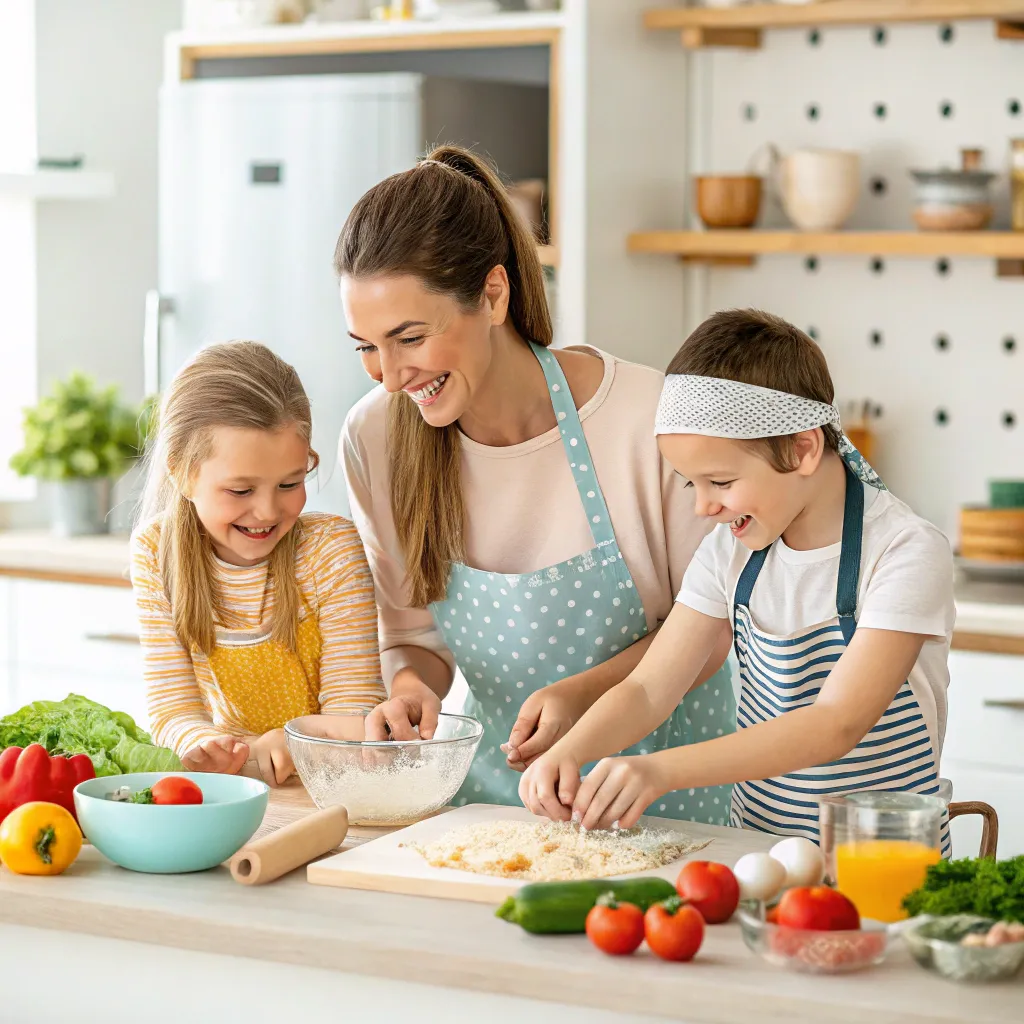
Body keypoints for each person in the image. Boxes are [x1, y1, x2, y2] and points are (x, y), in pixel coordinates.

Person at [337, 145, 736, 824]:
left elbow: (712, 629)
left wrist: (584, 694)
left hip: (663, 799)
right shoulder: (375, 439)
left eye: (408, 338)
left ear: (493, 295)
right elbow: (410, 633)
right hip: (492, 809)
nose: (390, 374)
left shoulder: (649, 420)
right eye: (367, 347)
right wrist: (411, 689)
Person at [521, 309, 954, 850]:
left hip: (883, 863)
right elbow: (648, 688)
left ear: (802, 448)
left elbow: (838, 722)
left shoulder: (904, 552)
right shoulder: (729, 553)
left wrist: (658, 771)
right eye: (690, 484)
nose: (704, 507)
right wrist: (570, 750)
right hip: (760, 854)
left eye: (721, 481)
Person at [131, 341, 386, 786]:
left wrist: (299, 739)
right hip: (238, 789)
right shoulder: (156, 551)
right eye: (241, 491)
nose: (268, 512)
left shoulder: (330, 551)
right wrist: (204, 747)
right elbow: (173, 710)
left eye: (290, 482)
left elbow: (358, 711)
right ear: (180, 472)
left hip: (336, 790)